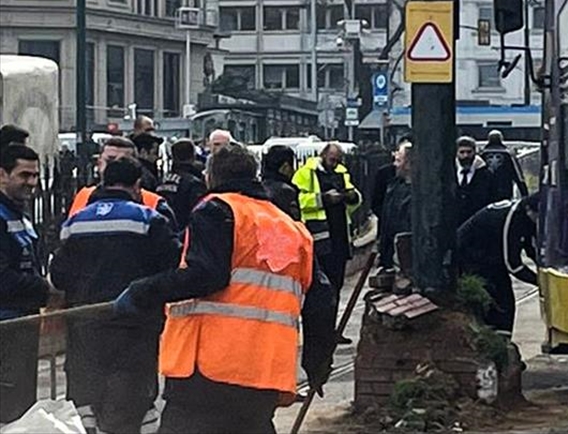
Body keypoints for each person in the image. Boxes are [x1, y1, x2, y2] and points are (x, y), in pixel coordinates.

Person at [117, 144, 336, 434]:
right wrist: (318, 361)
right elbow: (321, 299)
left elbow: (206, 275)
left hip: (208, 370)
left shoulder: (218, 210)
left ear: (210, 177)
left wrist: (143, 291)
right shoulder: (292, 229)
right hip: (264, 372)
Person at [51, 158, 181, 434]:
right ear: (136, 186)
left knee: (89, 401)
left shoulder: (75, 222)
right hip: (134, 326)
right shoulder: (147, 219)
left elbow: (59, 274)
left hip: (85, 325)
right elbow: (172, 268)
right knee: (133, 401)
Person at [0, 143, 50, 425]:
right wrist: (46, 289)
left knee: (21, 410)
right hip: (7, 326)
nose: (31, 182)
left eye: (34, 175)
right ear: (2, 175)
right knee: (10, 409)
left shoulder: (18, 213)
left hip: (21, 324)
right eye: (24, 175)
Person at [292, 143, 361, 342]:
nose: (335, 164)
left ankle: (331, 331)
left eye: (338, 160)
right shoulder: (305, 173)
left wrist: (350, 196)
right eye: (332, 160)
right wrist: (323, 199)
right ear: (323, 155)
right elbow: (299, 200)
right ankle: (318, 333)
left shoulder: (341, 172)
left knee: (336, 286)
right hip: (319, 240)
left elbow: (356, 198)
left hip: (339, 238)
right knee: (319, 290)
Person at [456, 191, 539, 335]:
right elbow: (512, 264)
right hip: (472, 255)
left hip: (488, 255)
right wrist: (538, 281)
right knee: (499, 298)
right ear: (530, 210)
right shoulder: (512, 219)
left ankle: (501, 335)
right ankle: (495, 337)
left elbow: (531, 247)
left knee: (503, 297)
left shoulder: (525, 217)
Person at [70, 137, 176, 227]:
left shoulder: (154, 203)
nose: (115, 167)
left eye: (123, 161)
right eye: (110, 161)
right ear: (99, 163)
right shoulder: (83, 196)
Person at [374, 142, 413, 272]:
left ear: (408, 164)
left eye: (398, 160)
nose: (395, 165)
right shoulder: (394, 188)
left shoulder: (418, 194)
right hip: (391, 255)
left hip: (404, 258)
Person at [156, 140, 207, 232]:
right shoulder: (194, 183)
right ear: (193, 156)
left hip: (164, 230)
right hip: (184, 232)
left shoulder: (162, 181)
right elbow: (200, 215)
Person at [454, 136, 494, 229]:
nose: (465, 156)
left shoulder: (486, 174)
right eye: (462, 152)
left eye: (469, 152)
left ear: (474, 152)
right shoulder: (448, 173)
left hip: (478, 223)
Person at [480, 130, 528, 202]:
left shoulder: (482, 155)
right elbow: (518, 175)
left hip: (486, 192)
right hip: (504, 191)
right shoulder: (508, 155)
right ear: (501, 139)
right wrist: (524, 194)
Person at [261, 145, 301, 221]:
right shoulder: (286, 192)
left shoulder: (259, 188)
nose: (294, 170)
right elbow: (293, 223)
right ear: (285, 166)